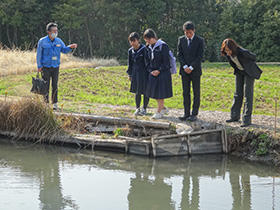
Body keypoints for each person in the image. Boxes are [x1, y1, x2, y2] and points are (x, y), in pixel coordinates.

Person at [221, 38, 262, 127]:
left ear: (233, 48)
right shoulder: (228, 55)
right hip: (239, 72)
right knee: (238, 94)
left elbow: (253, 57)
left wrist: (248, 64)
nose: (227, 52)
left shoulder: (242, 52)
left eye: (228, 50)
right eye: (225, 50)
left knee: (248, 95)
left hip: (249, 72)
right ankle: (234, 116)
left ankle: (246, 120)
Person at [36, 22, 78, 110]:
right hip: (45, 67)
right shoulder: (42, 41)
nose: (55, 32)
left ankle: (55, 104)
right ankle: (46, 104)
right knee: (45, 85)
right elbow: (39, 54)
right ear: (48, 32)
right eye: (53, 31)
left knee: (55, 85)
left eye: (56, 30)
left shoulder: (59, 41)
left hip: (55, 67)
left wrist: (70, 47)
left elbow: (64, 50)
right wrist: (39, 66)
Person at [177, 21, 204, 122]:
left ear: (194, 31)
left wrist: (191, 67)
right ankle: (186, 113)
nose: (188, 35)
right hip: (184, 71)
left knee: (196, 92)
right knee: (185, 92)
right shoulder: (181, 40)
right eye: (186, 33)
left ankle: (194, 113)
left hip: (195, 70)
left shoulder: (200, 40)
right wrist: (184, 66)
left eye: (190, 33)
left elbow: (200, 56)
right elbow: (180, 54)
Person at [143, 29, 173, 119]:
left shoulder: (163, 46)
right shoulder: (148, 48)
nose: (147, 42)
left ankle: (159, 112)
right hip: (152, 72)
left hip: (162, 72)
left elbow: (166, 62)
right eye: (146, 40)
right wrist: (150, 70)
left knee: (160, 93)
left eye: (148, 40)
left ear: (153, 38)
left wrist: (159, 70)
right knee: (153, 92)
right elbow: (146, 61)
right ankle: (163, 108)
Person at [127, 32, 149, 116]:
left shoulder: (144, 49)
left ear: (138, 40)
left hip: (144, 73)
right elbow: (130, 64)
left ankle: (144, 108)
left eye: (134, 41)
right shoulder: (130, 51)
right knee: (137, 91)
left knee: (146, 91)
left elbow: (147, 62)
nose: (132, 43)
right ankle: (137, 108)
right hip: (135, 73)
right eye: (130, 41)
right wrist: (130, 74)